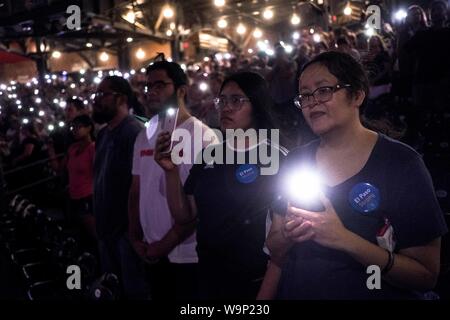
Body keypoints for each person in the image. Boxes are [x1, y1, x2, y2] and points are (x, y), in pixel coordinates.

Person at [266, 51, 448, 299]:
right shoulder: (294, 162)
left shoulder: (400, 163)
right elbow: (274, 248)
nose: (312, 102)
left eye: (323, 90)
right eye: (305, 95)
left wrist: (343, 239)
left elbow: (426, 275)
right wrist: (287, 235)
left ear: (358, 95)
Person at [155, 72, 288, 299]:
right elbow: (184, 216)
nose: (226, 107)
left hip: (255, 282)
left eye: (236, 100)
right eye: (222, 100)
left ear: (257, 104)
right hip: (208, 278)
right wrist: (171, 171)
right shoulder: (209, 155)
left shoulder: (277, 157)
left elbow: (283, 240)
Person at [128, 60, 217, 300]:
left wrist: (164, 244)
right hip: (149, 249)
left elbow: (201, 206)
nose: (152, 92)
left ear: (181, 90)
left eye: (159, 85)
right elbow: (135, 190)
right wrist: (135, 237)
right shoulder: (144, 135)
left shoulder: (203, 137)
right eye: (148, 86)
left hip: (187, 255)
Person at [92, 75, 149, 299]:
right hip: (106, 229)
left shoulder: (133, 132)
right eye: (96, 94)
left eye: (103, 94)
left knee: (134, 291)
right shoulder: (104, 134)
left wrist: (133, 230)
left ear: (121, 98)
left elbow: (140, 185)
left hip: (126, 231)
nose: (96, 100)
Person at [66, 115, 96, 244]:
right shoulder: (72, 149)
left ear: (89, 128)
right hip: (73, 196)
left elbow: (97, 171)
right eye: (73, 127)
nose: (75, 130)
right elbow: (61, 168)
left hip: (88, 195)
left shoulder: (93, 148)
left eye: (79, 127)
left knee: (93, 233)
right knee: (80, 234)